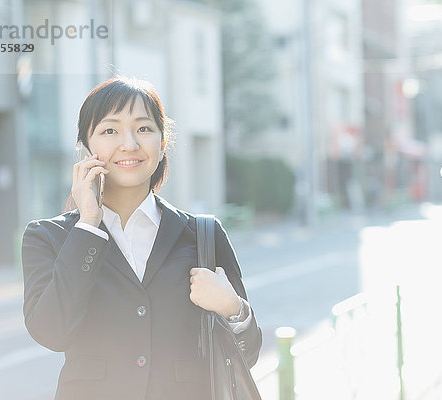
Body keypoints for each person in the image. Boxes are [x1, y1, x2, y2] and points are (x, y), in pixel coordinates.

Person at [21, 76, 262, 400]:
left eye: (144, 128)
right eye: (110, 130)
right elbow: (52, 333)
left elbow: (247, 357)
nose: (130, 144)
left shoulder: (203, 234)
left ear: (163, 142)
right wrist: (89, 224)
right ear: (86, 148)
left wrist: (234, 309)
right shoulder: (48, 236)